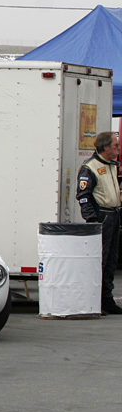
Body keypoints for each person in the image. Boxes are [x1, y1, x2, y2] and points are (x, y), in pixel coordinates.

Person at [77, 131, 122, 315]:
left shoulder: (111, 165)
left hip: (114, 215)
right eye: (115, 146)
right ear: (105, 147)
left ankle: (107, 298)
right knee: (99, 260)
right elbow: (83, 196)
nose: (118, 149)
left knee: (112, 260)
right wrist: (92, 220)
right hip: (102, 217)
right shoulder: (90, 168)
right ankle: (94, 300)